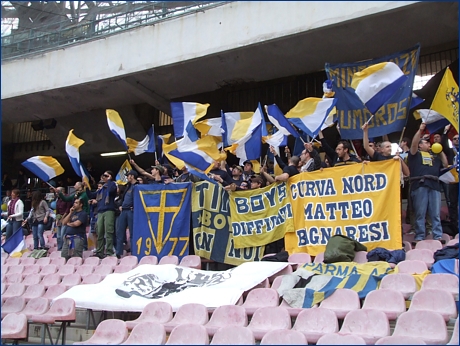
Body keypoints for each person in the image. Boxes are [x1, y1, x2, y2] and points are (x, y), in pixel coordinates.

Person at [408, 122, 448, 244]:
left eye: (428, 142)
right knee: (420, 213)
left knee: (435, 213)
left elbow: (445, 164)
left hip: (434, 185)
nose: (428, 144)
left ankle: (437, 235)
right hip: (420, 185)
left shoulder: (434, 157)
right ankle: (419, 236)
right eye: (425, 142)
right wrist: (420, 131)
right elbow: (414, 144)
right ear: (420, 146)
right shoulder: (415, 155)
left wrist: (440, 150)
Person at [86, 170, 117, 258]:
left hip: (108, 210)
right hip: (100, 211)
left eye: (106, 175)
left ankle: (109, 251)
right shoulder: (101, 189)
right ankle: (100, 251)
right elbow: (91, 195)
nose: (104, 177)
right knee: (99, 232)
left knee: (108, 231)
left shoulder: (112, 185)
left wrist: (110, 180)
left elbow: (111, 191)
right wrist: (87, 187)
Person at [116, 170, 138, 259]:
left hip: (130, 211)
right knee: (120, 232)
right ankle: (119, 252)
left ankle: (133, 251)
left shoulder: (137, 186)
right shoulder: (128, 186)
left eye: (128, 176)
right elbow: (123, 198)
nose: (127, 177)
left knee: (132, 232)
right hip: (124, 210)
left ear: (132, 176)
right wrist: (121, 205)